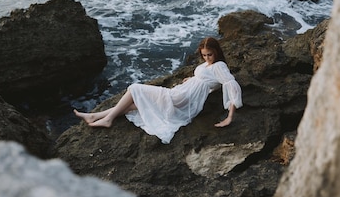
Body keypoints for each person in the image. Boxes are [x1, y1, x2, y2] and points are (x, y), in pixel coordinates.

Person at [74, 37, 243, 144]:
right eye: (204, 55)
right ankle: (95, 116)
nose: (206, 58)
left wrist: (230, 116)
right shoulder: (209, 65)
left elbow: (231, 85)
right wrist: (193, 79)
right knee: (136, 104)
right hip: (184, 94)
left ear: (217, 52)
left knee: (134, 89)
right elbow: (208, 80)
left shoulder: (220, 65)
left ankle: (108, 119)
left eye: (210, 55)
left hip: (182, 98)